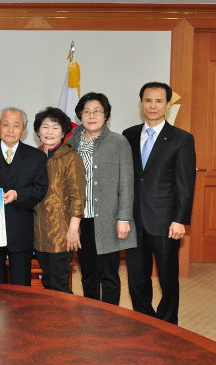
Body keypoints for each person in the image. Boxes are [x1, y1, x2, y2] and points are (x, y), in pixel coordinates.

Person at [123, 82, 196, 325]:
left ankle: (167, 324)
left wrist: (180, 220)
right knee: (137, 276)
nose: (152, 105)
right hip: (133, 220)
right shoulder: (129, 135)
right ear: (141, 103)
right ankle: (143, 320)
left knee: (167, 277)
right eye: (148, 100)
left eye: (158, 101)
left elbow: (185, 183)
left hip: (165, 221)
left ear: (167, 105)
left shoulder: (181, 139)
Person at [68, 92, 136, 305]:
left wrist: (124, 217)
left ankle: (109, 318)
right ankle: (90, 316)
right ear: (80, 115)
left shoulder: (118, 142)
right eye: (86, 111)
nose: (92, 116)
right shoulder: (71, 142)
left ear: (106, 115)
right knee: (88, 273)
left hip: (109, 218)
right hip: (81, 219)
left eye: (97, 111)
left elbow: (127, 182)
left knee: (109, 275)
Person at [0, 107, 48, 286]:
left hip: (20, 228)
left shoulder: (36, 157)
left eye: (16, 125)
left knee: (21, 287)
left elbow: (40, 189)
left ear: (23, 130)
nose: (10, 130)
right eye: (6, 124)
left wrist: (18, 194)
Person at [32, 107, 85, 293]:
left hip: (62, 232)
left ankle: (67, 313)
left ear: (63, 133)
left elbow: (78, 196)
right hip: (38, 232)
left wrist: (73, 230)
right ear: (38, 132)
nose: (49, 131)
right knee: (47, 281)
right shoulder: (32, 156)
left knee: (59, 283)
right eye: (45, 127)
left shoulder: (71, 157)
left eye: (55, 127)